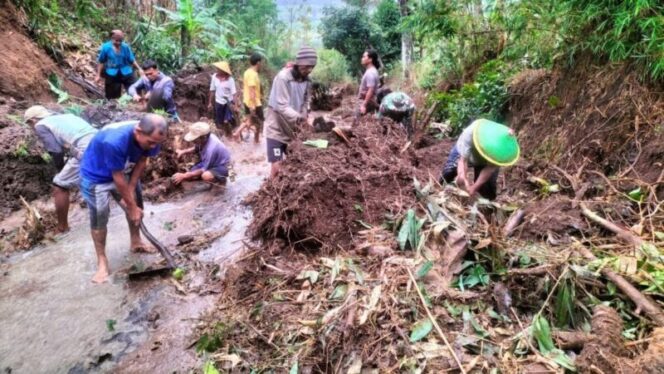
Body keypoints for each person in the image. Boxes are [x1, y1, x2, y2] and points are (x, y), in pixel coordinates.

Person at [79, 114, 168, 284]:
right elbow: (117, 177)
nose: (153, 147)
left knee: (136, 201)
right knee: (100, 216)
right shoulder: (114, 141)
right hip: (96, 176)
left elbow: (142, 161)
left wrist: (132, 190)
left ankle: (136, 241)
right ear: (138, 132)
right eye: (150, 142)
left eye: (157, 143)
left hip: (122, 170)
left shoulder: (154, 137)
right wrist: (131, 205)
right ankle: (102, 261)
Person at [23, 106, 97, 233]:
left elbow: (55, 151)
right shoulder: (66, 116)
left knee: (59, 185)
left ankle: (62, 228)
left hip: (87, 148)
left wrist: (60, 169)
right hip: (101, 139)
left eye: (30, 124)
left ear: (33, 120)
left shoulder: (40, 125)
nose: (32, 128)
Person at [265, 46, 317, 178]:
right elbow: (282, 106)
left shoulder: (308, 81)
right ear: (298, 63)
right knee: (277, 167)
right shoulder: (283, 78)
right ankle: (270, 193)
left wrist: (305, 119)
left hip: (293, 129)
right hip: (276, 129)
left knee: (295, 165)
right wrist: (301, 119)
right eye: (306, 67)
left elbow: (306, 102)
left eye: (312, 66)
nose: (309, 70)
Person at [440, 119, 520, 200]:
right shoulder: (470, 133)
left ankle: (486, 208)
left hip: (484, 162)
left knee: (487, 189)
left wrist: (474, 187)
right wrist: (462, 176)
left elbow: (489, 169)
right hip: (468, 154)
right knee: (448, 173)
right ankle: (440, 191)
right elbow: (463, 160)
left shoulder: (502, 150)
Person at [95, 30, 143, 100]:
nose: (118, 43)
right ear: (112, 38)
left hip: (126, 70)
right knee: (113, 97)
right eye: (116, 41)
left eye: (120, 41)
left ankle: (137, 102)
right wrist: (98, 75)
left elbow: (131, 59)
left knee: (135, 87)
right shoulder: (106, 47)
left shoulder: (125, 47)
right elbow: (101, 61)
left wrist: (139, 68)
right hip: (112, 72)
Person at [232, 53, 264, 144]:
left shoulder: (247, 72)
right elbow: (252, 90)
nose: (261, 64)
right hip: (254, 103)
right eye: (261, 62)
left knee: (249, 120)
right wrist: (253, 105)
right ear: (258, 62)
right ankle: (256, 141)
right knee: (258, 122)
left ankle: (237, 133)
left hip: (247, 101)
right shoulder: (252, 74)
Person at [208, 61, 238, 139]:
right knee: (220, 122)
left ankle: (230, 134)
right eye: (217, 68)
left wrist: (235, 105)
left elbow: (234, 93)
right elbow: (212, 90)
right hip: (218, 102)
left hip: (228, 102)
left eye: (219, 69)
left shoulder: (230, 80)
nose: (217, 70)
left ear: (223, 70)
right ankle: (224, 136)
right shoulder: (214, 77)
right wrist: (210, 103)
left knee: (226, 121)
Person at [355, 49, 381, 123]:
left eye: (364, 56)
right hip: (369, 102)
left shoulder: (370, 73)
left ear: (370, 59)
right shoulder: (373, 71)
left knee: (358, 126)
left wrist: (363, 105)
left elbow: (371, 89)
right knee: (366, 124)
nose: (362, 58)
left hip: (366, 102)